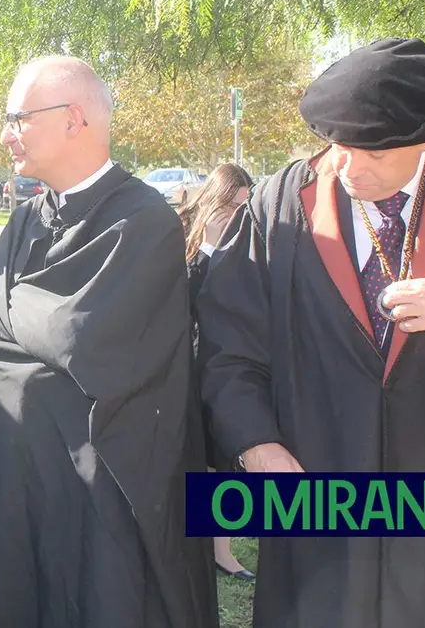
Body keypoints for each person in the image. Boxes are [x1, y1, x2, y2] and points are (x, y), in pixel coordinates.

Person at [198, 37, 425, 628]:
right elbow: (227, 342)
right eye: (339, 147)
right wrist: (255, 443)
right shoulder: (278, 204)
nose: (349, 168)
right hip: (314, 490)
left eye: (374, 154)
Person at [0, 55, 217, 628]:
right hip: (22, 483)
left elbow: (84, 342)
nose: (6, 135)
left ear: (74, 119)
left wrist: (9, 315)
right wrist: (34, 351)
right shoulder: (25, 218)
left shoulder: (143, 221)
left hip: (107, 489)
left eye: (18, 118)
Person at [178, 163, 256, 582]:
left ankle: (221, 550)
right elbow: (185, 301)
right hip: (191, 363)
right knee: (202, 460)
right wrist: (207, 247)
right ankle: (208, 550)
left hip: (233, 360)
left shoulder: (248, 238)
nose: (238, 217)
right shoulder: (185, 236)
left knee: (224, 458)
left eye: (244, 207)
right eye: (232, 207)